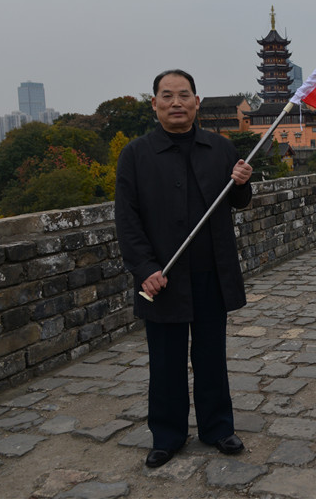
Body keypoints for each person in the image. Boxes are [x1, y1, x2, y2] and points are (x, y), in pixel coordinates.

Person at [115, 69, 254, 468]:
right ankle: (167, 434)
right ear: (154, 103)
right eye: (166, 95)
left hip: (211, 272)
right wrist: (144, 268)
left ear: (198, 102)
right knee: (165, 361)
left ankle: (218, 428)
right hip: (163, 277)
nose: (176, 102)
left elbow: (239, 202)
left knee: (211, 356)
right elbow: (127, 219)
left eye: (183, 95)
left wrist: (243, 182)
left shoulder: (220, 149)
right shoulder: (136, 155)